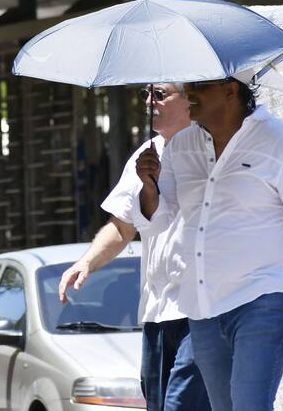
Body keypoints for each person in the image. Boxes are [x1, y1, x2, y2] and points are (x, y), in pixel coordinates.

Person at [134, 77, 283, 411]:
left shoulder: (280, 142)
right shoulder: (180, 147)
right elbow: (159, 219)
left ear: (231, 90)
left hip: (265, 296)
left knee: (249, 404)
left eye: (200, 85)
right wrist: (148, 186)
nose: (190, 93)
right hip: (204, 306)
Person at [58, 83, 210, 411]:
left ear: (189, 100)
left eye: (160, 94)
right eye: (145, 95)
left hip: (199, 310)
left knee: (180, 405)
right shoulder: (145, 155)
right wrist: (86, 263)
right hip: (156, 310)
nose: (150, 102)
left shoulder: (211, 149)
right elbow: (123, 226)